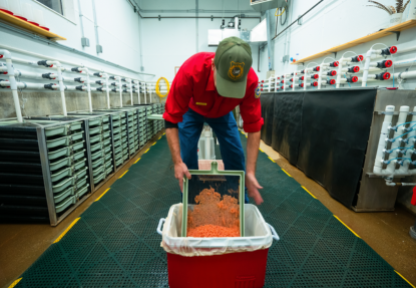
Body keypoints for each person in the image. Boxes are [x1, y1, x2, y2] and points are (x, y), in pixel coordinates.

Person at [163, 37, 264, 205]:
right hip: (192, 110)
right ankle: (190, 201)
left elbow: (254, 127)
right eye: (224, 84)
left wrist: (251, 172)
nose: (227, 92)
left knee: (235, 155)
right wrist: (177, 162)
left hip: (223, 113)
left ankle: (238, 202)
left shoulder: (251, 82)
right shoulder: (191, 70)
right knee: (187, 156)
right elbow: (171, 118)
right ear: (213, 65)